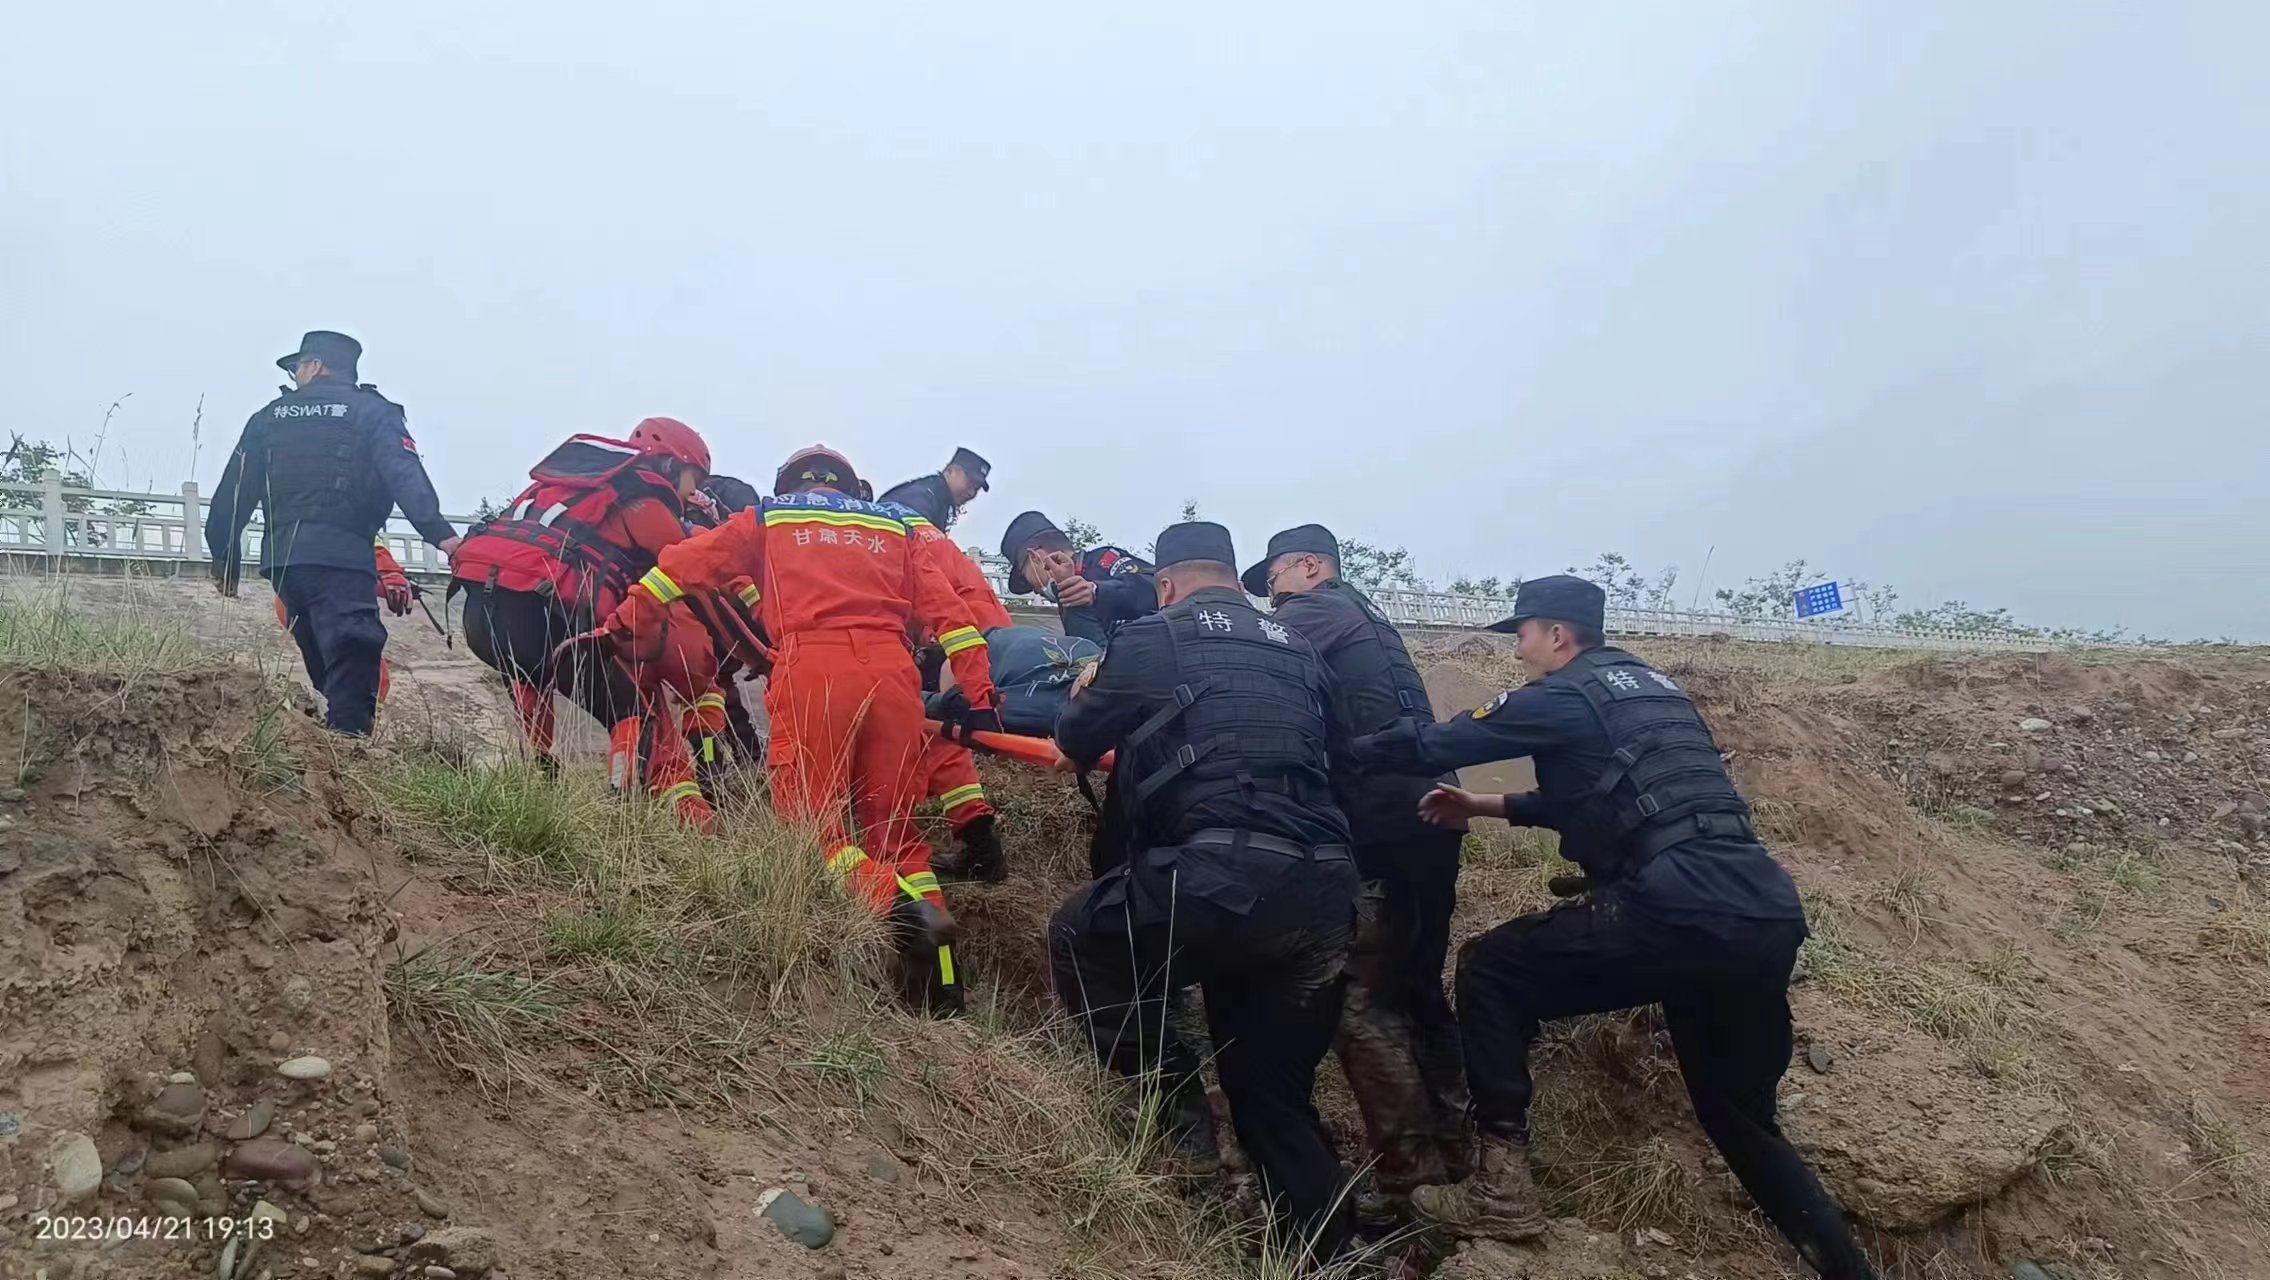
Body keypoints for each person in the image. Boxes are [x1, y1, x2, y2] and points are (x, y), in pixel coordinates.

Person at [1351, 575, 1878, 1280]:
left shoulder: (1562, 693)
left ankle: (1500, 1186)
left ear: (1558, 635)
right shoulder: (1654, 691)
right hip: (1759, 908)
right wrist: (1484, 806)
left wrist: (1344, 751)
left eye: (1525, 635)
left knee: (1493, 968)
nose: (1520, 652)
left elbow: (1440, 739)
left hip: (1674, 903)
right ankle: (1848, 1269)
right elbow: (1598, 794)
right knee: (1740, 1120)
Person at [589, 444, 1003, 1015]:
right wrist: (980, 695)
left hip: (815, 670)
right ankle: (944, 992)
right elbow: (952, 620)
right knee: (899, 839)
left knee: (815, 832)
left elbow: (680, 567)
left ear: (790, 482)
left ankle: (901, 913)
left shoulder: (769, 516)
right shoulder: (895, 525)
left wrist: (626, 619)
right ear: (848, 484)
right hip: (893, 674)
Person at [1048, 522, 1359, 1261]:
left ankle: (1175, 1118)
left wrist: (1091, 684)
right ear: (1234, 578)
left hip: (1222, 876)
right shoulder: (1303, 648)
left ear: (1164, 585)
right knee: (1269, 1097)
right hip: (1323, 890)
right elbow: (1339, 756)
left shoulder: (1155, 636)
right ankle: (1332, 1254)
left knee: (1081, 934)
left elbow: (1073, 740)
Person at [1242, 524, 1472, 1226]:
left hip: (1379, 822)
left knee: (1361, 998)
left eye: (1276, 580)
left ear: (1312, 566)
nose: (1273, 598)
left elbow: (1249, 657)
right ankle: (1470, 1149)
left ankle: (1411, 1184)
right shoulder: (1365, 619)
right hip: (1433, 811)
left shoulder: (1314, 613)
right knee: (1416, 984)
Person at [448, 420, 720, 829]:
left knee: (532, 677)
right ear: (667, 467)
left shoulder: (562, 490)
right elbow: (692, 566)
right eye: (690, 479)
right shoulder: (643, 501)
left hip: (480, 617)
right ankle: (622, 817)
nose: (691, 492)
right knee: (632, 712)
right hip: (545, 619)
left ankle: (539, 775)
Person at [208, 330, 459, 736]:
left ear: (316, 365)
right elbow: (404, 474)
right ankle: (350, 748)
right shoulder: (373, 412)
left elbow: (234, 491)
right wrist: (442, 536)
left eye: (297, 367)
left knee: (322, 651)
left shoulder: (268, 417)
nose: (295, 376)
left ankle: (333, 738)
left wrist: (225, 558)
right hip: (343, 555)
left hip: (283, 563)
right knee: (352, 646)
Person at [876, 469, 1014, 881]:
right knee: (940, 733)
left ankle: (976, 847)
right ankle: (980, 845)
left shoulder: (896, 536)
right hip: (982, 629)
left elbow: (928, 606)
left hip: (958, 633)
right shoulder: (928, 532)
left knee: (928, 725)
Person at [271, 537, 418, 712]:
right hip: (328, 599)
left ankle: (329, 709)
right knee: (363, 663)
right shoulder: (348, 518)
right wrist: (390, 573)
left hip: (289, 598)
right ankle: (358, 719)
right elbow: (372, 546)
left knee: (324, 661)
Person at [998, 511, 1156, 644]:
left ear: (1035, 557)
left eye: (1024, 575)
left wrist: (1097, 592)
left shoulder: (1104, 561)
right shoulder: (1066, 602)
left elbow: (1157, 586)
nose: (1033, 589)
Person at [878, 446, 991, 531]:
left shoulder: (939, 500)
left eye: (976, 489)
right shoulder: (921, 496)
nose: (971, 493)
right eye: (970, 483)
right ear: (951, 471)